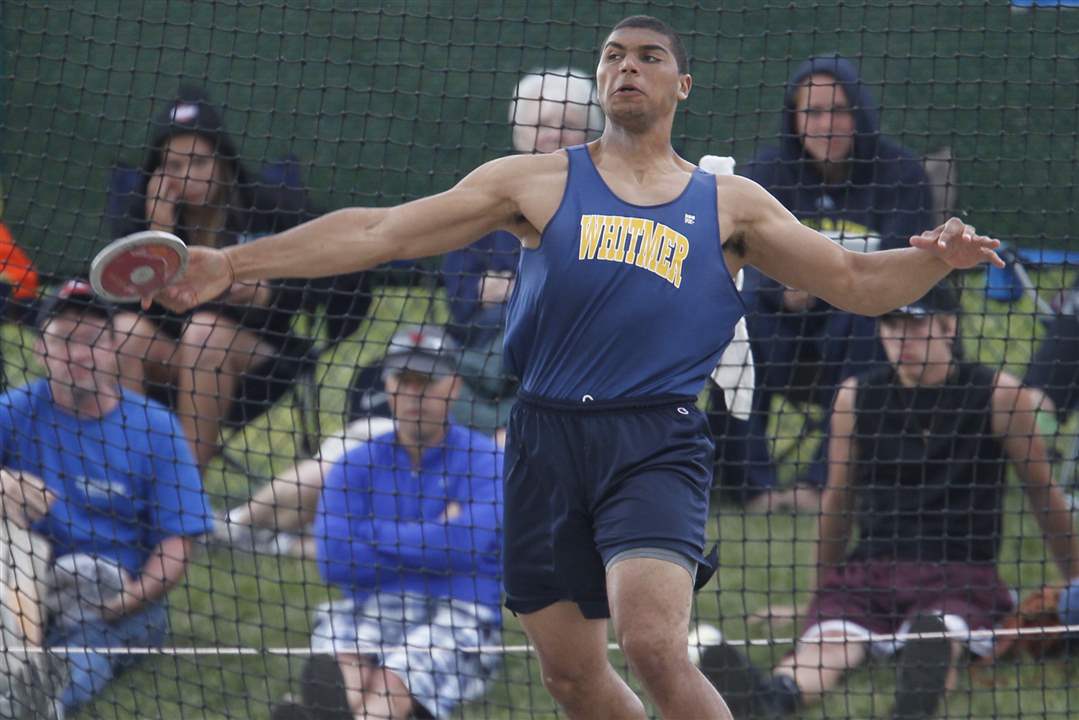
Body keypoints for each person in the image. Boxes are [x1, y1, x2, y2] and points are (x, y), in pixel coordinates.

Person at [148, 15, 1003, 719]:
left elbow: (855, 282)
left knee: (655, 644)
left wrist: (933, 261)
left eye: (649, 57)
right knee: (570, 678)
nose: (626, 67)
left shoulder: (728, 203)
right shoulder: (535, 182)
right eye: (613, 56)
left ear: (680, 86)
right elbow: (381, 231)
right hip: (543, 437)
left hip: (654, 440)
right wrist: (230, 265)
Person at [218, 67, 605, 551]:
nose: (557, 134)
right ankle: (238, 525)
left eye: (570, 124)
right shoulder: (486, 200)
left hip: (544, 396)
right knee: (366, 444)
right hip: (470, 368)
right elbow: (465, 300)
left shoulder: (604, 209)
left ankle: (310, 542)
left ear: (591, 131)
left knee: (510, 465)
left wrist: (511, 291)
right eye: (545, 122)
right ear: (522, 129)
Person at [702, 281, 1079, 720]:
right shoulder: (855, 398)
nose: (901, 338)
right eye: (891, 325)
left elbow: (1044, 498)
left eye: (914, 326)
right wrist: (818, 597)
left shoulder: (999, 396)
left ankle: (912, 706)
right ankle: (771, 699)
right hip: (872, 572)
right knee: (827, 644)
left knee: (940, 636)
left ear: (947, 326)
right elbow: (837, 504)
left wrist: (1077, 586)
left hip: (959, 575)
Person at [711, 55, 937, 510]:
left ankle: (823, 484)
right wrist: (782, 289)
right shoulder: (765, 174)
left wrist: (832, 285)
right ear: (794, 118)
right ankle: (752, 487)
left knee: (864, 325)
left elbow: (905, 264)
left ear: (859, 112)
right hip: (783, 321)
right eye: (811, 112)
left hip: (860, 319)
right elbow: (740, 258)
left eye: (838, 110)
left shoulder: (901, 173)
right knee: (740, 324)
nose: (825, 124)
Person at [0, 279, 212, 716]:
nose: (78, 354)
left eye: (93, 341)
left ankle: (35, 703)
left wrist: (124, 601)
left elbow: (176, 546)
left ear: (115, 349)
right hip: (26, 585)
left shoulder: (155, 427)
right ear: (41, 350)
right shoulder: (15, 411)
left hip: (120, 599)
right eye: (64, 341)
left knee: (87, 647)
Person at [268, 324, 502, 720]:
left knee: (397, 676)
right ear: (389, 386)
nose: (415, 393)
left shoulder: (488, 461)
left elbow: (467, 546)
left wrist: (372, 534)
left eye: (427, 380)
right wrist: (436, 535)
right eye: (404, 380)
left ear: (454, 387)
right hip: (371, 605)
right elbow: (334, 560)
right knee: (345, 664)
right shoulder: (352, 463)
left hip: (459, 608)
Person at [108, 85, 344, 470]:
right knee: (125, 331)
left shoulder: (268, 204)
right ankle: (124, 478)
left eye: (199, 162)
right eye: (174, 166)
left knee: (205, 332)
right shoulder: (142, 215)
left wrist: (266, 293)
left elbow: (340, 277)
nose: (188, 176)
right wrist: (158, 237)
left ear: (221, 160)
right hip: (173, 359)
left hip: (261, 362)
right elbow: (119, 297)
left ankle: (183, 496)